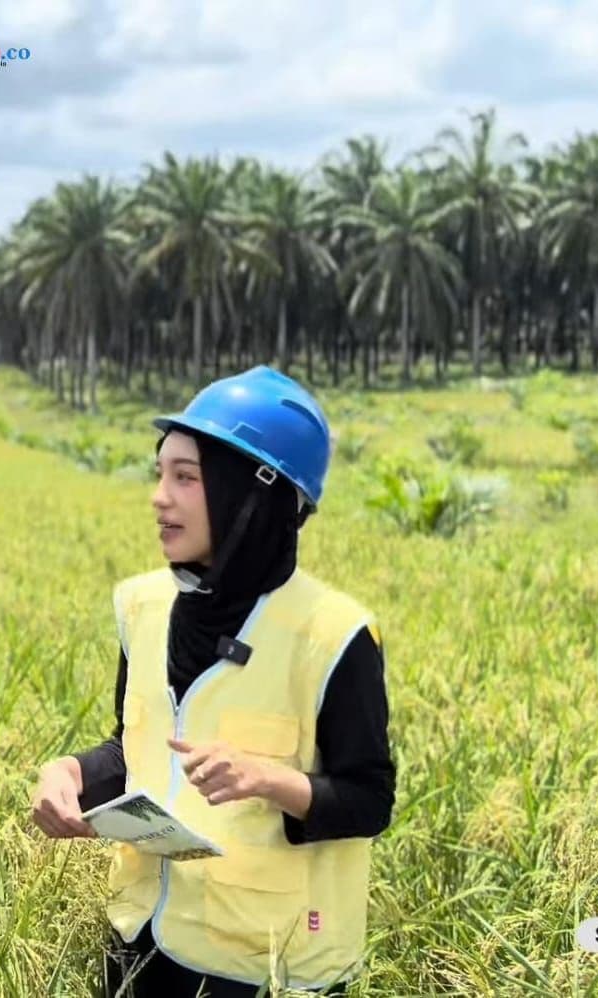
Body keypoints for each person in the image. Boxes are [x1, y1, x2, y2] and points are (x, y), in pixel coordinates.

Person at [29, 366, 395, 997]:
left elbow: (370, 799)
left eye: (186, 477)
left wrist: (268, 780)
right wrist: (69, 774)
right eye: (159, 474)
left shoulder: (334, 636)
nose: (159, 497)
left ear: (253, 493)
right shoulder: (143, 608)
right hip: (142, 944)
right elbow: (134, 749)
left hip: (266, 967)